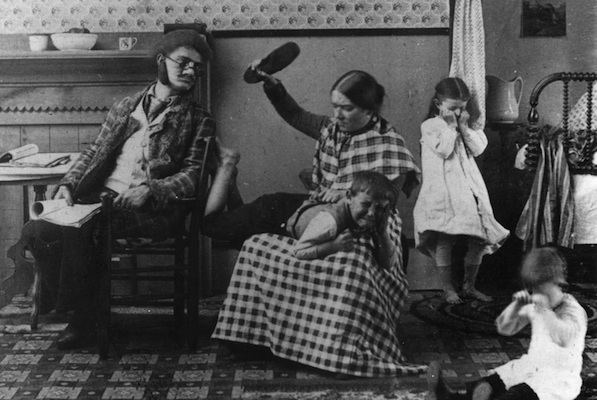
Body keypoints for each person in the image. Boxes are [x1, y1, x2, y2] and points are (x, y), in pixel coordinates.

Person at [211, 66, 425, 377]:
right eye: (334, 106)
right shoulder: (331, 129)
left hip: (366, 218)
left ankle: (336, 347)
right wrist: (272, 85)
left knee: (347, 260)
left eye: (346, 108)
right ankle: (250, 338)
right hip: (323, 208)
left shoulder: (389, 144)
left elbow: (384, 203)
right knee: (250, 234)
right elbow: (295, 115)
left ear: (369, 110)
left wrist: (346, 198)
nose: (337, 114)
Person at [18, 29, 215, 350]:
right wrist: (69, 184)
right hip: (100, 199)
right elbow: (95, 151)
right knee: (37, 229)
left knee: (86, 226)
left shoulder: (197, 119)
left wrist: (152, 190)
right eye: (183, 63)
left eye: (197, 67)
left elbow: (193, 175)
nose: (191, 71)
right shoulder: (126, 107)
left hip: (152, 209)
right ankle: (79, 309)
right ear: (162, 61)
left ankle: (82, 321)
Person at [426, 246, 587, 400]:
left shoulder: (573, 310)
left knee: (516, 395)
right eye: (534, 288)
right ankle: (448, 396)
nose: (537, 293)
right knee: (486, 386)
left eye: (542, 287)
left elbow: (564, 338)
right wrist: (515, 306)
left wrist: (545, 310)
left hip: (557, 379)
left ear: (557, 282)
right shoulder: (538, 304)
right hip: (531, 366)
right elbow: (505, 327)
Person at [413, 77, 509, 304]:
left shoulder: (465, 125)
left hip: (468, 191)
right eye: (452, 108)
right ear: (438, 104)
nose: (457, 113)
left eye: (462, 108)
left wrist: (464, 127)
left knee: (479, 238)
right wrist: (451, 127)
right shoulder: (430, 126)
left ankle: (469, 286)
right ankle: (448, 289)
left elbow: (478, 148)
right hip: (444, 192)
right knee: (445, 238)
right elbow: (444, 150)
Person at [286, 170, 396, 263]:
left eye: (379, 207)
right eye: (365, 204)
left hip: (319, 206)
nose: (371, 213)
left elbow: (388, 263)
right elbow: (298, 252)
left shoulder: (371, 215)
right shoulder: (329, 222)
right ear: (349, 197)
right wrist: (332, 246)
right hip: (288, 214)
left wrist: (382, 233)